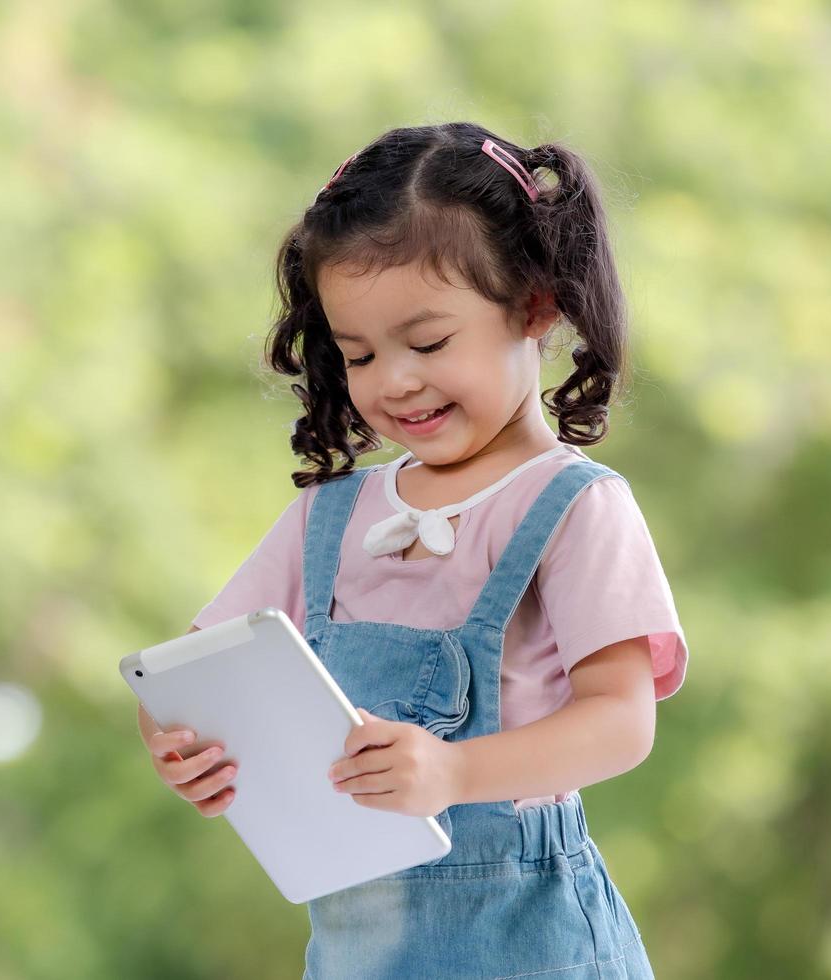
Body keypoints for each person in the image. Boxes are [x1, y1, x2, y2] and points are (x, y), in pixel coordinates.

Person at [137, 121, 689, 979]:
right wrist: (181, 745)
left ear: (533, 305)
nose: (394, 381)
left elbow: (621, 723)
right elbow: (195, 671)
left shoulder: (571, 506)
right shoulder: (330, 518)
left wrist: (452, 772)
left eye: (428, 343)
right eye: (358, 354)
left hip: (529, 936)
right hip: (360, 945)